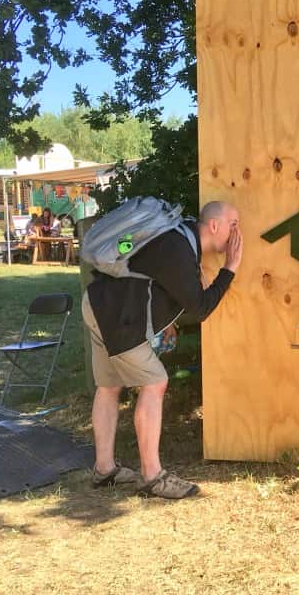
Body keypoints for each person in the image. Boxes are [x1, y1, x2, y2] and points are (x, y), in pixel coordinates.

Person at [83, 200, 243, 499]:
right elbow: (200, 307)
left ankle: (104, 469)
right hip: (118, 316)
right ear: (214, 226)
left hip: (98, 304)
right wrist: (230, 269)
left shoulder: (176, 235)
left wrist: (165, 321)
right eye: (233, 225)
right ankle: (152, 476)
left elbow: (152, 275)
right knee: (155, 382)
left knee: (108, 386)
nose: (237, 233)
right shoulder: (179, 250)